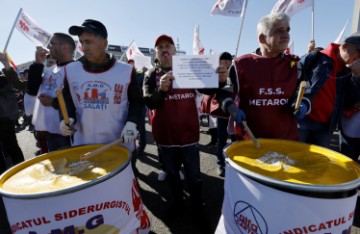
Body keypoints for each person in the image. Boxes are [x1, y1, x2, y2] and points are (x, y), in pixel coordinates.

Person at [216, 13, 303, 145]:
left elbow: (305, 91)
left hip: (287, 141)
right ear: (262, 38)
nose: (286, 35)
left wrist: (304, 103)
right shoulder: (241, 64)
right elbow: (224, 93)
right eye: (279, 31)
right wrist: (231, 108)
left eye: (287, 30)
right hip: (251, 142)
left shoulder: (295, 63)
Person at [143, 34, 205, 219]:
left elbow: (210, 90)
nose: (164, 49)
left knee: (194, 176)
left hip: (189, 135)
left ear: (174, 50)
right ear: (155, 53)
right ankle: (178, 204)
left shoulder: (189, 70)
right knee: (172, 175)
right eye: (160, 46)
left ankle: (197, 208)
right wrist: (161, 90)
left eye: (168, 46)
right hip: (165, 137)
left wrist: (221, 78)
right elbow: (149, 102)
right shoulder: (151, 74)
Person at [297, 33, 360, 148]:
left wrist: (356, 77)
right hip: (303, 122)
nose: (359, 58)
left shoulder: (348, 71)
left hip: (326, 127)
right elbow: (294, 80)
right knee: (294, 159)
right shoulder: (317, 58)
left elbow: (349, 102)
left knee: (319, 163)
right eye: (359, 52)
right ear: (345, 47)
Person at [30, 33, 75, 152]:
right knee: (57, 166)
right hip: (49, 130)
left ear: (64, 47)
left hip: (67, 131)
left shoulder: (77, 69)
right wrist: (38, 63)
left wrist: (53, 102)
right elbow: (31, 89)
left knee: (70, 167)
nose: (48, 47)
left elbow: (78, 100)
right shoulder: (50, 70)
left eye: (51, 44)